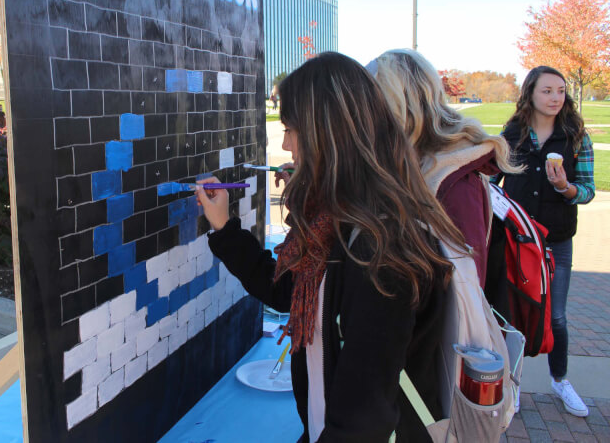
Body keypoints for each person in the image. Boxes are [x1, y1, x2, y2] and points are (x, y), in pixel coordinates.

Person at [196, 52, 466, 442]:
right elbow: (285, 291)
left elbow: (364, 419)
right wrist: (224, 227)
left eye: (290, 129)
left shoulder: (378, 250)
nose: (286, 145)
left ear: (327, 135)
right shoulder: (335, 224)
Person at [367, 49, 519, 287]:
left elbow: (465, 290)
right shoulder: (407, 161)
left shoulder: (455, 178)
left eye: (371, 98)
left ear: (397, 102)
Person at [494, 65, 595, 418]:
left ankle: (560, 380)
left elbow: (587, 191)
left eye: (561, 91)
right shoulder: (511, 135)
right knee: (513, 314)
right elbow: (490, 181)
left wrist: (566, 188)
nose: (556, 98)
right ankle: (514, 383)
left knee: (557, 318)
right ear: (531, 94)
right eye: (547, 91)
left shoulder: (577, 137)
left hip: (557, 239)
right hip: (517, 239)